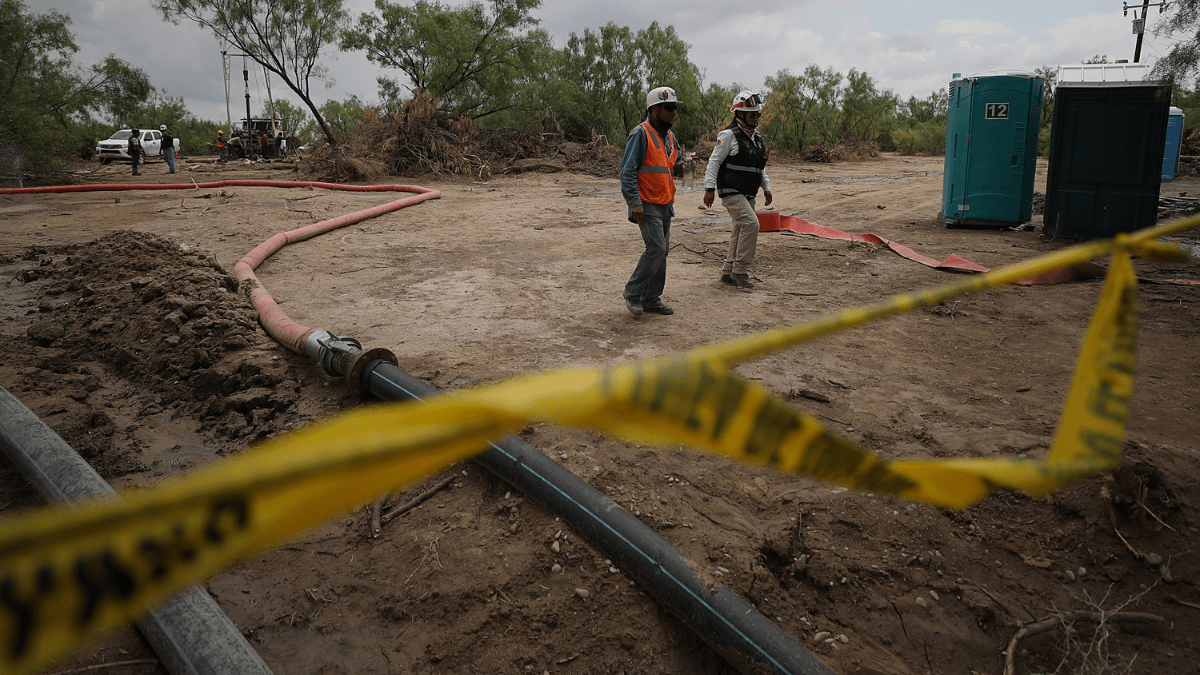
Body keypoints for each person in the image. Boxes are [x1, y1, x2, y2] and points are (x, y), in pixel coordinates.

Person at [703, 91, 774, 290]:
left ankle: (728, 271)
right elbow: (714, 162)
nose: (756, 118)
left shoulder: (756, 138)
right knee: (751, 224)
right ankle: (740, 271)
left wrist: (766, 188)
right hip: (731, 191)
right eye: (752, 115)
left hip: (749, 192)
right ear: (740, 114)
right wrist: (709, 188)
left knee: (739, 229)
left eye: (758, 114)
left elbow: (760, 167)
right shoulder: (728, 135)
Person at [621, 86, 682, 317]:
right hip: (646, 202)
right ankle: (633, 293)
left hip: (665, 202)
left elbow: (669, 167)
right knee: (656, 248)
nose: (674, 112)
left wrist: (682, 167)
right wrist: (633, 201)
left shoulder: (670, 137)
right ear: (655, 109)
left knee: (662, 251)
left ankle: (651, 298)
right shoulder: (640, 134)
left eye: (675, 108)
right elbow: (627, 171)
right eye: (669, 108)